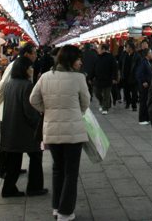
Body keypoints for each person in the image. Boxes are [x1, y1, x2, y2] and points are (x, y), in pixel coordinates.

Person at [29, 45, 90, 221]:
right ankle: (65, 212)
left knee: (58, 169)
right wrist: (76, 112)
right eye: (78, 58)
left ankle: (56, 208)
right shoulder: (79, 78)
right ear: (71, 60)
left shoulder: (45, 77)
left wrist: (47, 110)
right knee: (71, 172)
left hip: (52, 131)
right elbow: (85, 102)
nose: (80, 62)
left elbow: (33, 99)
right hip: (73, 132)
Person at [0, 56, 47, 197]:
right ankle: (34, 187)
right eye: (30, 67)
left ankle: (8, 188)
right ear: (24, 69)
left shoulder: (10, 84)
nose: (32, 69)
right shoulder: (27, 86)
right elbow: (29, 111)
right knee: (36, 156)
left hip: (10, 127)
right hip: (24, 129)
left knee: (14, 159)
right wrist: (38, 124)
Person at [0, 43, 37, 177]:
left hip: (16, 108)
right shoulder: (15, 65)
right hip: (10, 109)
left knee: (13, 142)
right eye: (34, 53)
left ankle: (13, 169)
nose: (36, 55)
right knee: (9, 143)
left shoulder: (26, 66)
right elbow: (2, 85)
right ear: (27, 54)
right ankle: (3, 169)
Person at [91, 43, 118, 114]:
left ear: (103, 49)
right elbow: (94, 68)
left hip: (108, 79)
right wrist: (91, 77)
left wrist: (114, 78)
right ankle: (102, 103)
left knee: (106, 94)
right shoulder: (97, 57)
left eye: (99, 48)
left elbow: (114, 68)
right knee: (97, 93)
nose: (97, 49)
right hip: (98, 79)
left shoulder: (110, 57)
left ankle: (105, 108)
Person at [135, 44, 152, 125]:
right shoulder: (143, 62)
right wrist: (143, 81)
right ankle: (142, 119)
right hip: (144, 86)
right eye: (150, 53)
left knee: (147, 101)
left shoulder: (148, 62)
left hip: (148, 85)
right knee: (143, 102)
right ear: (147, 54)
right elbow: (139, 73)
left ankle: (147, 118)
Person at [123, 40, 140, 111]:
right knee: (126, 91)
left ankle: (134, 106)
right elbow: (121, 64)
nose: (125, 48)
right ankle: (128, 102)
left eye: (126, 47)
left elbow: (139, 67)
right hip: (126, 76)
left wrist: (137, 76)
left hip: (133, 76)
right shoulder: (125, 55)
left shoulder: (137, 56)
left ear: (130, 48)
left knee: (134, 92)